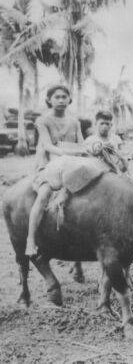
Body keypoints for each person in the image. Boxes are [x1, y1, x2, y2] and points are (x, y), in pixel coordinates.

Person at [26, 85, 86, 256]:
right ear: (49, 100)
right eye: (57, 97)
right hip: (49, 164)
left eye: (64, 97)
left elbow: (82, 144)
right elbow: (47, 145)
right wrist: (69, 152)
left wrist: (90, 149)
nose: (61, 100)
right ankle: (31, 239)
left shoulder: (75, 122)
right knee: (44, 194)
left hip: (71, 164)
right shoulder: (42, 121)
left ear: (69, 99)